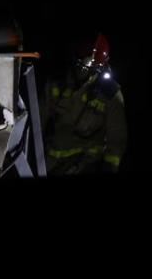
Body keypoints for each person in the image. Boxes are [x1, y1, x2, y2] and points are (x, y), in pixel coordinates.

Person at [42, 33, 129, 175]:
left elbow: (117, 138)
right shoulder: (58, 82)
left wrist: (109, 167)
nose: (80, 66)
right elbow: (38, 118)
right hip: (48, 160)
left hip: (84, 164)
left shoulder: (110, 94)